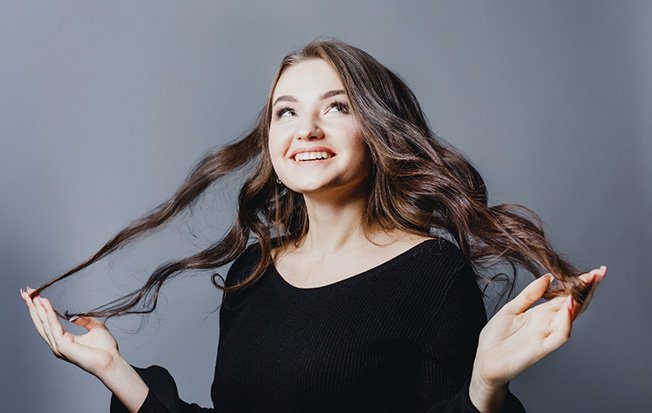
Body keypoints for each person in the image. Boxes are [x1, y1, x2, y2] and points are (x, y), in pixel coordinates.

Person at [20, 38, 606, 412]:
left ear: (377, 130)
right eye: (286, 111)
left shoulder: (433, 273)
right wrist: (112, 369)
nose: (306, 129)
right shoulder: (252, 269)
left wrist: (484, 389)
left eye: (337, 106)